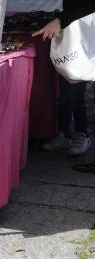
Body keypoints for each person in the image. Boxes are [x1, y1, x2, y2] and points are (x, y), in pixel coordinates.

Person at [34, 2, 95, 156]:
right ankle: (65, 133)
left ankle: (82, 133)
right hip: (75, 30)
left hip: (85, 31)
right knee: (66, 90)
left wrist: (60, 20)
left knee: (75, 89)